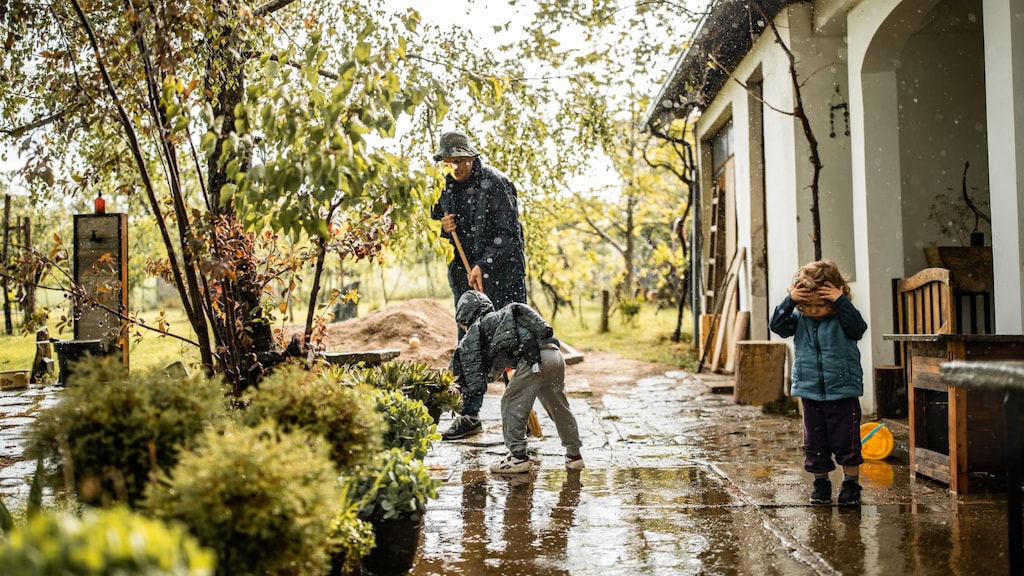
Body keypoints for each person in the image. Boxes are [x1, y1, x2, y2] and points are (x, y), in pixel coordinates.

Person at [446, 290, 585, 473]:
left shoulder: (477, 327)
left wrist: (457, 382)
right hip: (554, 354)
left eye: (463, 325)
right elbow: (496, 366)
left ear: (467, 317)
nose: (464, 329)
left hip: (533, 360)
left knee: (511, 403)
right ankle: (574, 455)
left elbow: (467, 357)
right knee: (558, 406)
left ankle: (518, 457)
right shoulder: (502, 321)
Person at [769, 260, 868, 506]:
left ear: (835, 295)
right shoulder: (799, 320)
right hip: (810, 391)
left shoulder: (844, 318)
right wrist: (790, 300)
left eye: (821, 305)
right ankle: (821, 482)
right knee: (815, 443)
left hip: (843, 391)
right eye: (808, 305)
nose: (814, 311)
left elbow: (858, 329)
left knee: (848, 441)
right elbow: (777, 326)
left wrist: (842, 301)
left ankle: (850, 483)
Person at [430, 130, 527, 337]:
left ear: (471, 158)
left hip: (503, 274)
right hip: (463, 274)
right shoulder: (443, 187)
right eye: (448, 163)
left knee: (507, 336)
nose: (454, 168)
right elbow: (433, 220)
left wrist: (483, 264)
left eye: (459, 161)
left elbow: (510, 234)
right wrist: (443, 227)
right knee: (470, 337)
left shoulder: (496, 183)